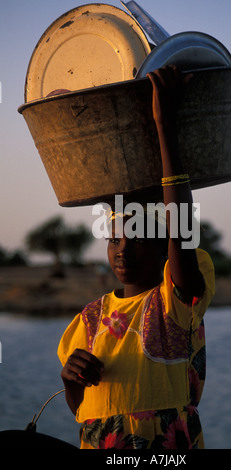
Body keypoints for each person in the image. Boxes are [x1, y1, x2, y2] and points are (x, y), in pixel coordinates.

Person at [57, 66, 215, 449]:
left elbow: (179, 225)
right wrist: (69, 378)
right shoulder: (89, 319)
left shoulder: (173, 304)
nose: (123, 249)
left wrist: (164, 125)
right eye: (114, 239)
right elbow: (83, 411)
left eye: (139, 238)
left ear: (166, 246)